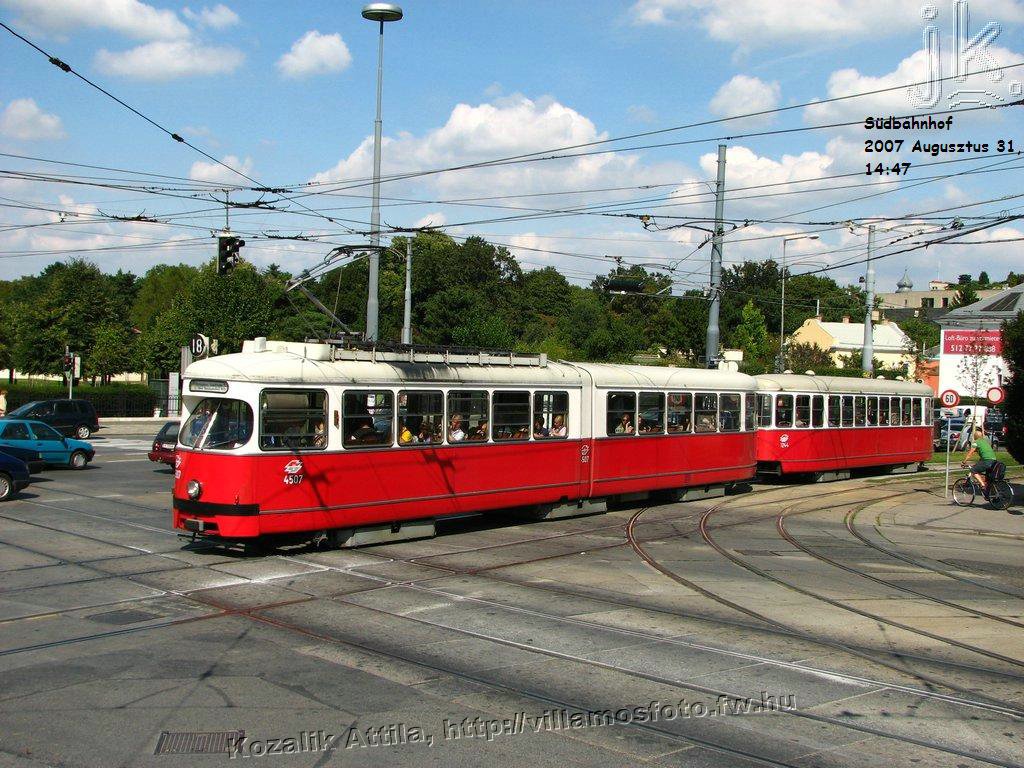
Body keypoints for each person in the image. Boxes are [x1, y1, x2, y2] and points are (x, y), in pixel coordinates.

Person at [963, 427, 998, 494]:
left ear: (975, 436)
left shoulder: (976, 443)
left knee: (973, 470)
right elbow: (985, 454)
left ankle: (982, 484)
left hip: (987, 461)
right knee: (988, 478)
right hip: (994, 461)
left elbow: (970, 453)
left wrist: (964, 461)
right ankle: (990, 494)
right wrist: (978, 463)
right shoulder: (985, 442)